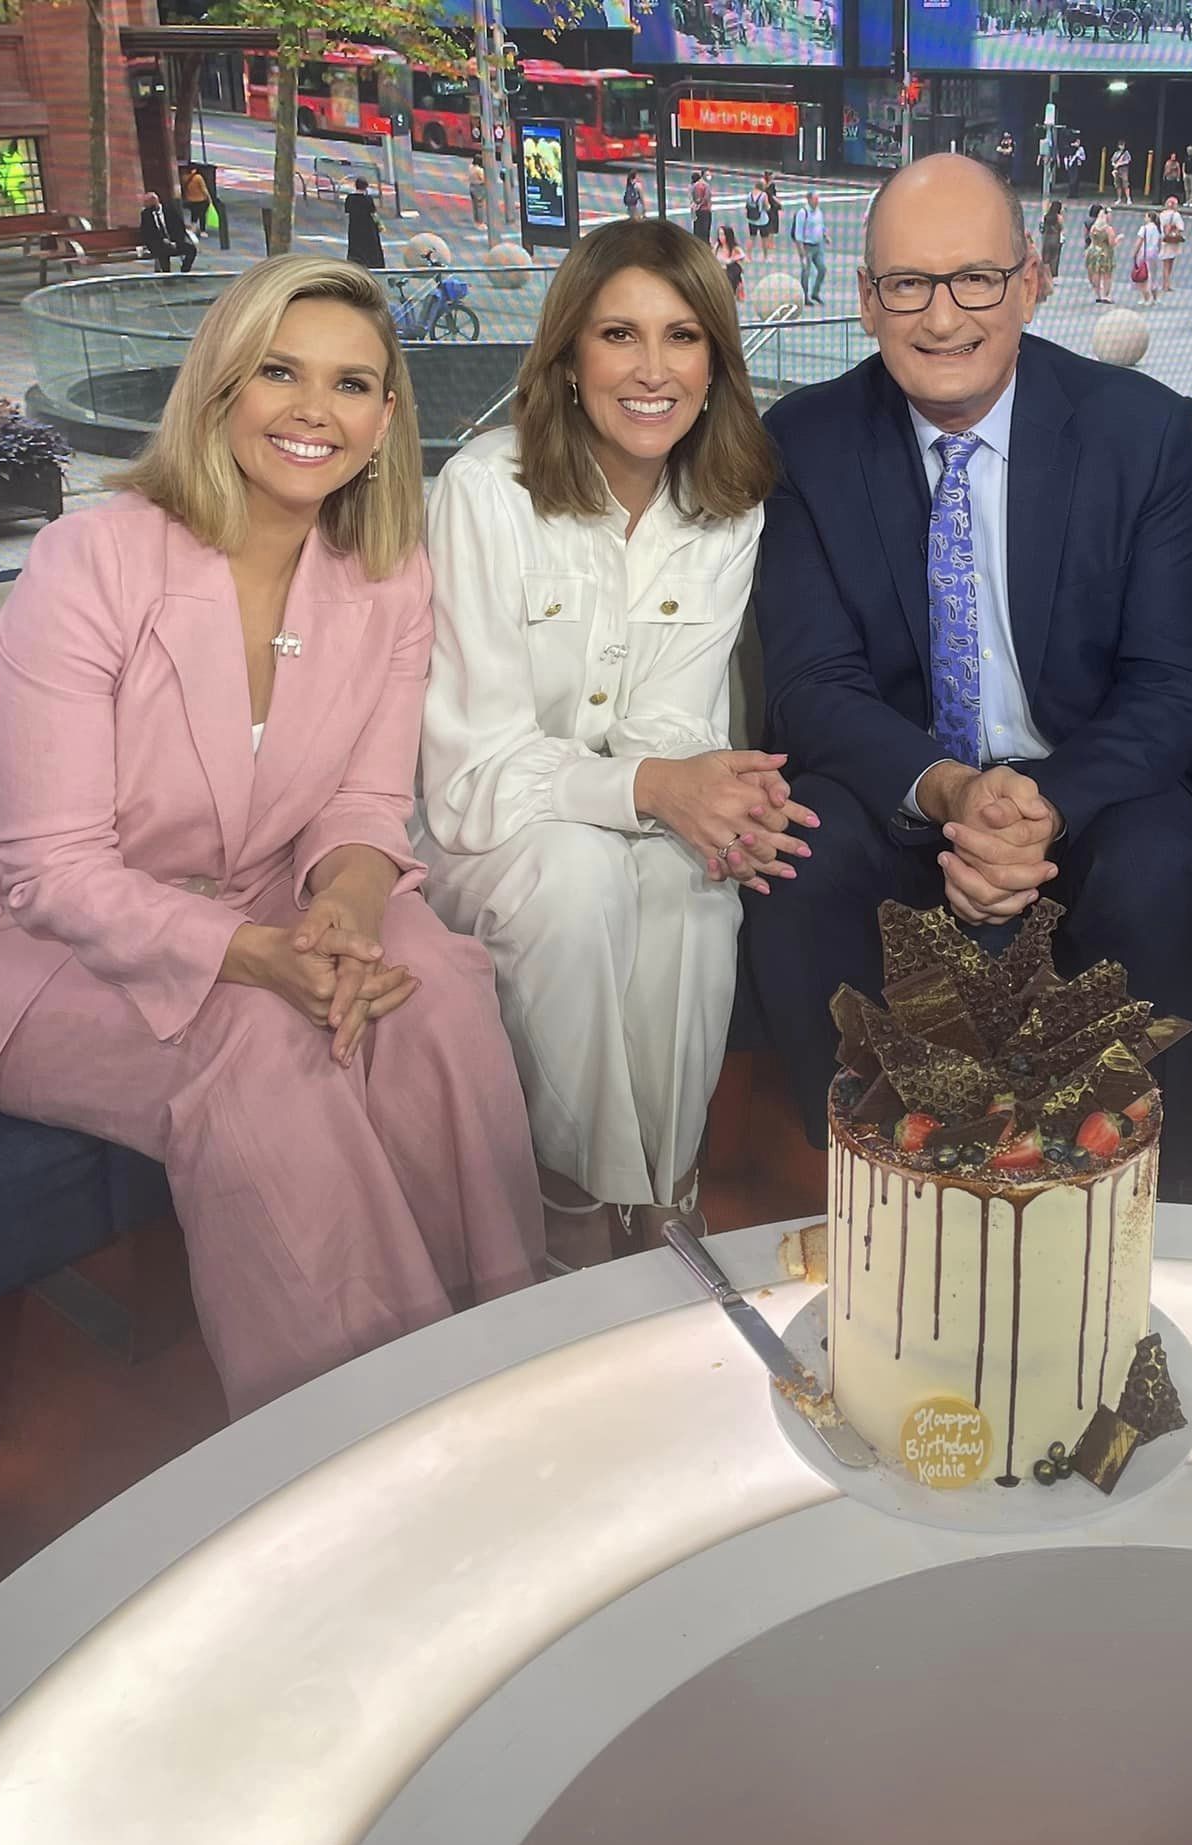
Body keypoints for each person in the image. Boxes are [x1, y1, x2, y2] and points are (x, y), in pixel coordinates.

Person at [0, 256, 549, 1417]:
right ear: (222, 384)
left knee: (432, 980)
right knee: (255, 1037)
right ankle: (354, 1423)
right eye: (279, 372)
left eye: (350, 384)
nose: (313, 410)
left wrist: (345, 915)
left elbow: (361, 804)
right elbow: (55, 871)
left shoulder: (387, 575)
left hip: (267, 896)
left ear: (385, 419)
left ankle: (503, 1350)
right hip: (32, 947)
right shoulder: (91, 563)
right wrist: (258, 955)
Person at [743, 154, 1192, 1199]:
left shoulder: (1139, 431)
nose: (942, 318)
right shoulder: (804, 441)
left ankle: (1158, 1200)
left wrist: (1038, 808)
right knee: (796, 856)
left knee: (1159, 866)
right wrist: (951, 790)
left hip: (1088, 786)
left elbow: (1173, 684)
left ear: (1031, 282)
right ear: (866, 299)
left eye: (974, 278)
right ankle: (870, 1183)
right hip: (905, 787)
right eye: (908, 284)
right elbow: (812, 684)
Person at [416, 220, 787, 1268]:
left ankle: (667, 1192)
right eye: (619, 334)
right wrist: (655, 787)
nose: (652, 369)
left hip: (621, 793)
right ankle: (572, 1203)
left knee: (693, 878)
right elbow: (477, 764)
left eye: (682, 336)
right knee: (576, 880)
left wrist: (707, 797)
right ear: (569, 357)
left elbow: (673, 718)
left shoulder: (728, 508)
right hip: (482, 823)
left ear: (714, 364)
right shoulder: (484, 490)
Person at [138, 192, 196, 274]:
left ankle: (184, 271)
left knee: (191, 250)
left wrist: (175, 242)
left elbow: (179, 227)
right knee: (163, 252)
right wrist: (161, 241)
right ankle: (166, 274)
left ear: (155, 202)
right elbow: (146, 234)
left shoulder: (170, 210)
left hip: (174, 241)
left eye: (147, 204)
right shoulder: (146, 214)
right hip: (159, 244)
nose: (145, 206)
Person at [792, 189, 828, 305]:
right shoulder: (803, 213)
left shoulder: (819, 212)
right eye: (815, 199)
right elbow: (798, 233)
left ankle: (815, 293)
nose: (817, 201)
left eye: (818, 199)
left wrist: (825, 236)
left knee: (822, 269)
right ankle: (805, 296)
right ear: (809, 200)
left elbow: (821, 225)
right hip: (807, 246)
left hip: (818, 245)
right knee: (806, 272)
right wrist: (801, 250)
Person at [343, 177, 384, 270]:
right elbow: (373, 213)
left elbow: (347, 212)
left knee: (355, 245)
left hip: (354, 226)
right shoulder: (368, 199)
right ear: (366, 187)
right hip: (368, 227)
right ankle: (372, 263)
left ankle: (355, 262)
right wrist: (379, 224)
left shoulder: (350, 198)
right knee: (370, 246)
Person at [1084, 202, 1116, 301]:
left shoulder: (1094, 227)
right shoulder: (1108, 229)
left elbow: (1089, 237)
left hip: (1093, 250)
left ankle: (1097, 294)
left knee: (1095, 273)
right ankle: (1105, 295)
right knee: (1106, 275)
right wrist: (1118, 239)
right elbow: (1111, 243)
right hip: (1105, 252)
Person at [1132, 206, 1162, 304]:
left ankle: (1146, 298)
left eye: (1146, 216)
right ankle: (1155, 297)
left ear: (1149, 218)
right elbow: (1159, 243)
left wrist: (1134, 253)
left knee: (1144, 276)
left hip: (1144, 253)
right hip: (1154, 253)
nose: (1144, 218)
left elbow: (1139, 242)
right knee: (1153, 275)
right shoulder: (1158, 229)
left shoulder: (1144, 228)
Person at [1157, 194, 1185, 293]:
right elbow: (1181, 228)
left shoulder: (1162, 215)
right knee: (1170, 262)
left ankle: (1165, 284)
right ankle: (1167, 284)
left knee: (1165, 263)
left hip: (1165, 239)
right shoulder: (1176, 215)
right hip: (1173, 240)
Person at [714, 220, 747, 301]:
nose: (721, 237)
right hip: (719, 269)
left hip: (729, 271)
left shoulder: (734, 248)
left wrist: (732, 259)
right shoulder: (717, 246)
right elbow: (712, 256)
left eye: (723, 235)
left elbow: (743, 257)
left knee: (733, 271)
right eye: (719, 234)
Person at [181, 164, 212, 247]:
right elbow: (204, 189)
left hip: (190, 199)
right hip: (201, 199)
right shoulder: (198, 177)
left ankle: (193, 228)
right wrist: (209, 199)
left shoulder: (184, 177)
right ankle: (202, 231)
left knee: (194, 214)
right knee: (202, 215)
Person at [1038, 198, 1064, 291]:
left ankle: (1045, 275)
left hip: (1046, 239)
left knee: (1046, 258)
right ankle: (1053, 276)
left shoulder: (1046, 216)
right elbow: (1061, 228)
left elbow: (1042, 228)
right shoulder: (1059, 217)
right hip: (1055, 238)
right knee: (1055, 258)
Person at [745, 175, 769, 252]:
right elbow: (767, 207)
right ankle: (765, 256)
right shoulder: (764, 195)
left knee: (752, 237)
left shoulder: (750, 194)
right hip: (762, 220)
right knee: (764, 238)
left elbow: (747, 206)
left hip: (751, 219)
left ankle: (748, 254)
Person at [689, 169, 714, 244]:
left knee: (698, 231)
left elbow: (692, 199)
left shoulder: (694, 185)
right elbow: (705, 198)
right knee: (704, 232)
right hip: (704, 211)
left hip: (698, 211)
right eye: (707, 175)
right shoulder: (704, 185)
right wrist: (700, 205)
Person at [763, 170, 782, 255]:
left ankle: (767, 242)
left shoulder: (763, 184)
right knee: (773, 225)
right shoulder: (771, 185)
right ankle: (770, 243)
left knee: (767, 224)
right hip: (772, 206)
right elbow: (773, 196)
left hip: (766, 206)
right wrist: (779, 202)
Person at [470, 158, 490, 227]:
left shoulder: (471, 167)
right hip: (479, 187)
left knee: (475, 205)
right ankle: (480, 222)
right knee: (480, 205)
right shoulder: (479, 170)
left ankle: (476, 220)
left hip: (472, 186)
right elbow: (483, 179)